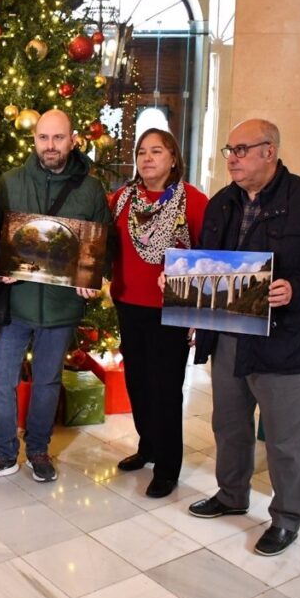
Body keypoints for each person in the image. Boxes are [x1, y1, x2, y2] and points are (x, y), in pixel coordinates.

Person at [187, 119, 300, 556]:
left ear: (269, 151)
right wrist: (195, 310)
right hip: (228, 338)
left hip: (285, 341)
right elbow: (209, 269)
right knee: (228, 426)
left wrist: (298, 288)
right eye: (229, 150)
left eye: (241, 150)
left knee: (283, 439)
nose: (233, 158)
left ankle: (286, 518)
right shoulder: (222, 203)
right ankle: (231, 494)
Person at [0, 109, 112, 485]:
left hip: (62, 307)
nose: (51, 146)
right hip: (14, 304)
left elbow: (99, 248)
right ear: (34, 141)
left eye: (58, 138)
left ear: (73, 139)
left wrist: (91, 277)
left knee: (48, 382)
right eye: (44, 138)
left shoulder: (91, 189)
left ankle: (37, 449)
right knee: (0, 379)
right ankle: (2, 452)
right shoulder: (10, 183)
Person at [109, 128, 208, 498]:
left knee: (165, 388)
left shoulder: (193, 202)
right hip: (128, 303)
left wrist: (200, 312)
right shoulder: (121, 199)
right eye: (142, 152)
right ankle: (147, 446)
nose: (147, 158)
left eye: (156, 151)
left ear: (173, 159)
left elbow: (208, 255)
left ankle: (168, 466)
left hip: (171, 311)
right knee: (137, 381)